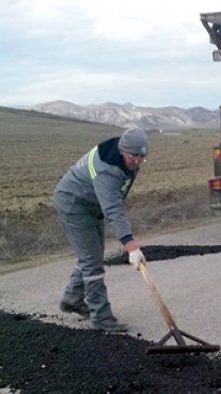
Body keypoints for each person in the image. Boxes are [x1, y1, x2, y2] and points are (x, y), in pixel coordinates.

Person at [52, 128, 149, 332]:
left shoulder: (124, 156)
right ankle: (101, 317)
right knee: (92, 263)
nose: (137, 161)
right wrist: (131, 247)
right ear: (123, 151)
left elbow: (116, 197)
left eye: (142, 157)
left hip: (92, 205)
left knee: (93, 256)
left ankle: (72, 299)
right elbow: (113, 208)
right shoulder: (107, 169)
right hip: (74, 204)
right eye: (134, 156)